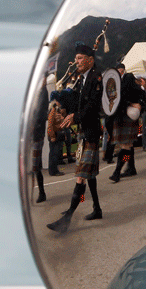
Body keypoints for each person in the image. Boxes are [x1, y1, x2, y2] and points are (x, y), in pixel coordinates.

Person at [47, 43, 104, 233]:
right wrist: (60, 97)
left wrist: (75, 117)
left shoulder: (96, 78)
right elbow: (75, 101)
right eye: (77, 58)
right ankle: (96, 208)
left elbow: (93, 107)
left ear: (90, 60)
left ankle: (68, 216)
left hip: (92, 133)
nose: (77, 61)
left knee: (81, 176)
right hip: (84, 132)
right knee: (90, 176)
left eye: (80, 58)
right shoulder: (81, 79)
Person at [109, 63, 143, 182]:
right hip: (125, 117)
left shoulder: (126, 79)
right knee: (129, 146)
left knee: (125, 146)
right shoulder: (121, 81)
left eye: (120, 70)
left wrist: (131, 103)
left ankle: (117, 172)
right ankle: (131, 168)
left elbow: (124, 97)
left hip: (125, 117)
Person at [33, 76, 49, 203]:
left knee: (35, 166)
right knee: (36, 166)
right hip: (33, 133)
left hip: (36, 133)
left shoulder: (43, 93)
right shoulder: (35, 92)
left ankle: (40, 192)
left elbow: (40, 114)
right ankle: (41, 192)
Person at [46, 90, 66, 176]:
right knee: (53, 154)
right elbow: (50, 125)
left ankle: (55, 169)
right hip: (54, 135)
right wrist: (52, 136)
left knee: (55, 153)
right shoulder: (52, 111)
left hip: (57, 134)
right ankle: (53, 171)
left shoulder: (57, 111)